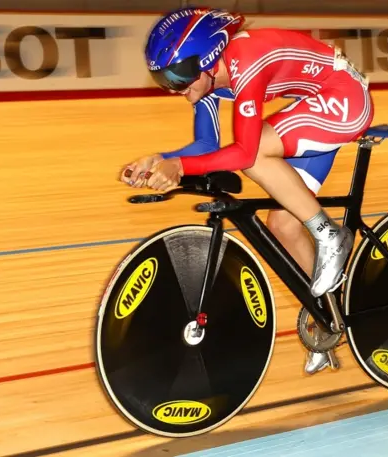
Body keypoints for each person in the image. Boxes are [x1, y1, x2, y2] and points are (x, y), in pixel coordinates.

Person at [121, 7, 374, 375]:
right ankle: (329, 319)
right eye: (166, 81)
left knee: (253, 153)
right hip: (313, 105)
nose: (178, 90)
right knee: (284, 226)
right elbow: (207, 144)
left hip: (345, 100)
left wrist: (181, 168)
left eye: (179, 77)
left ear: (207, 58)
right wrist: (160, 158)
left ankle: (330, 234)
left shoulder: (245, 58)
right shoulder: (207, 80)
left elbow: (243, 152)